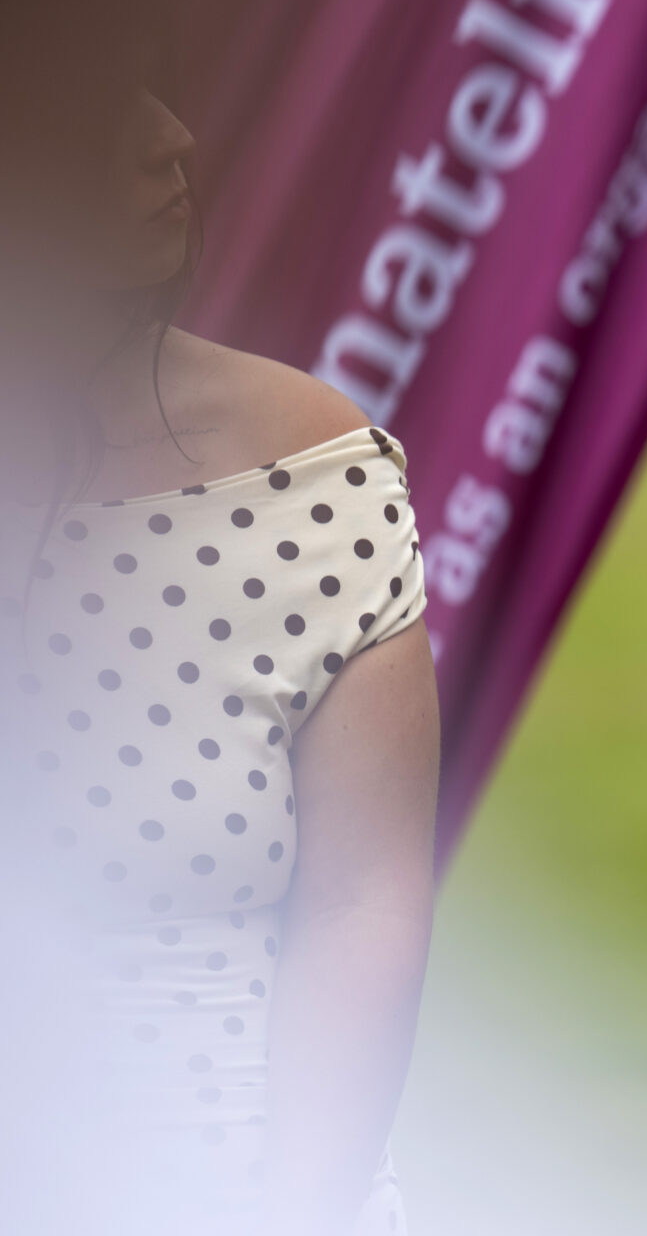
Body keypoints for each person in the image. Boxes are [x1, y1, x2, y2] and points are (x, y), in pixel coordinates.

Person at [1, 87, 439, 1235]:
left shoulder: (311, 470)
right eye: (94, 102)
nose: (172, 139)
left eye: (158, 86)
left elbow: (363, 908)